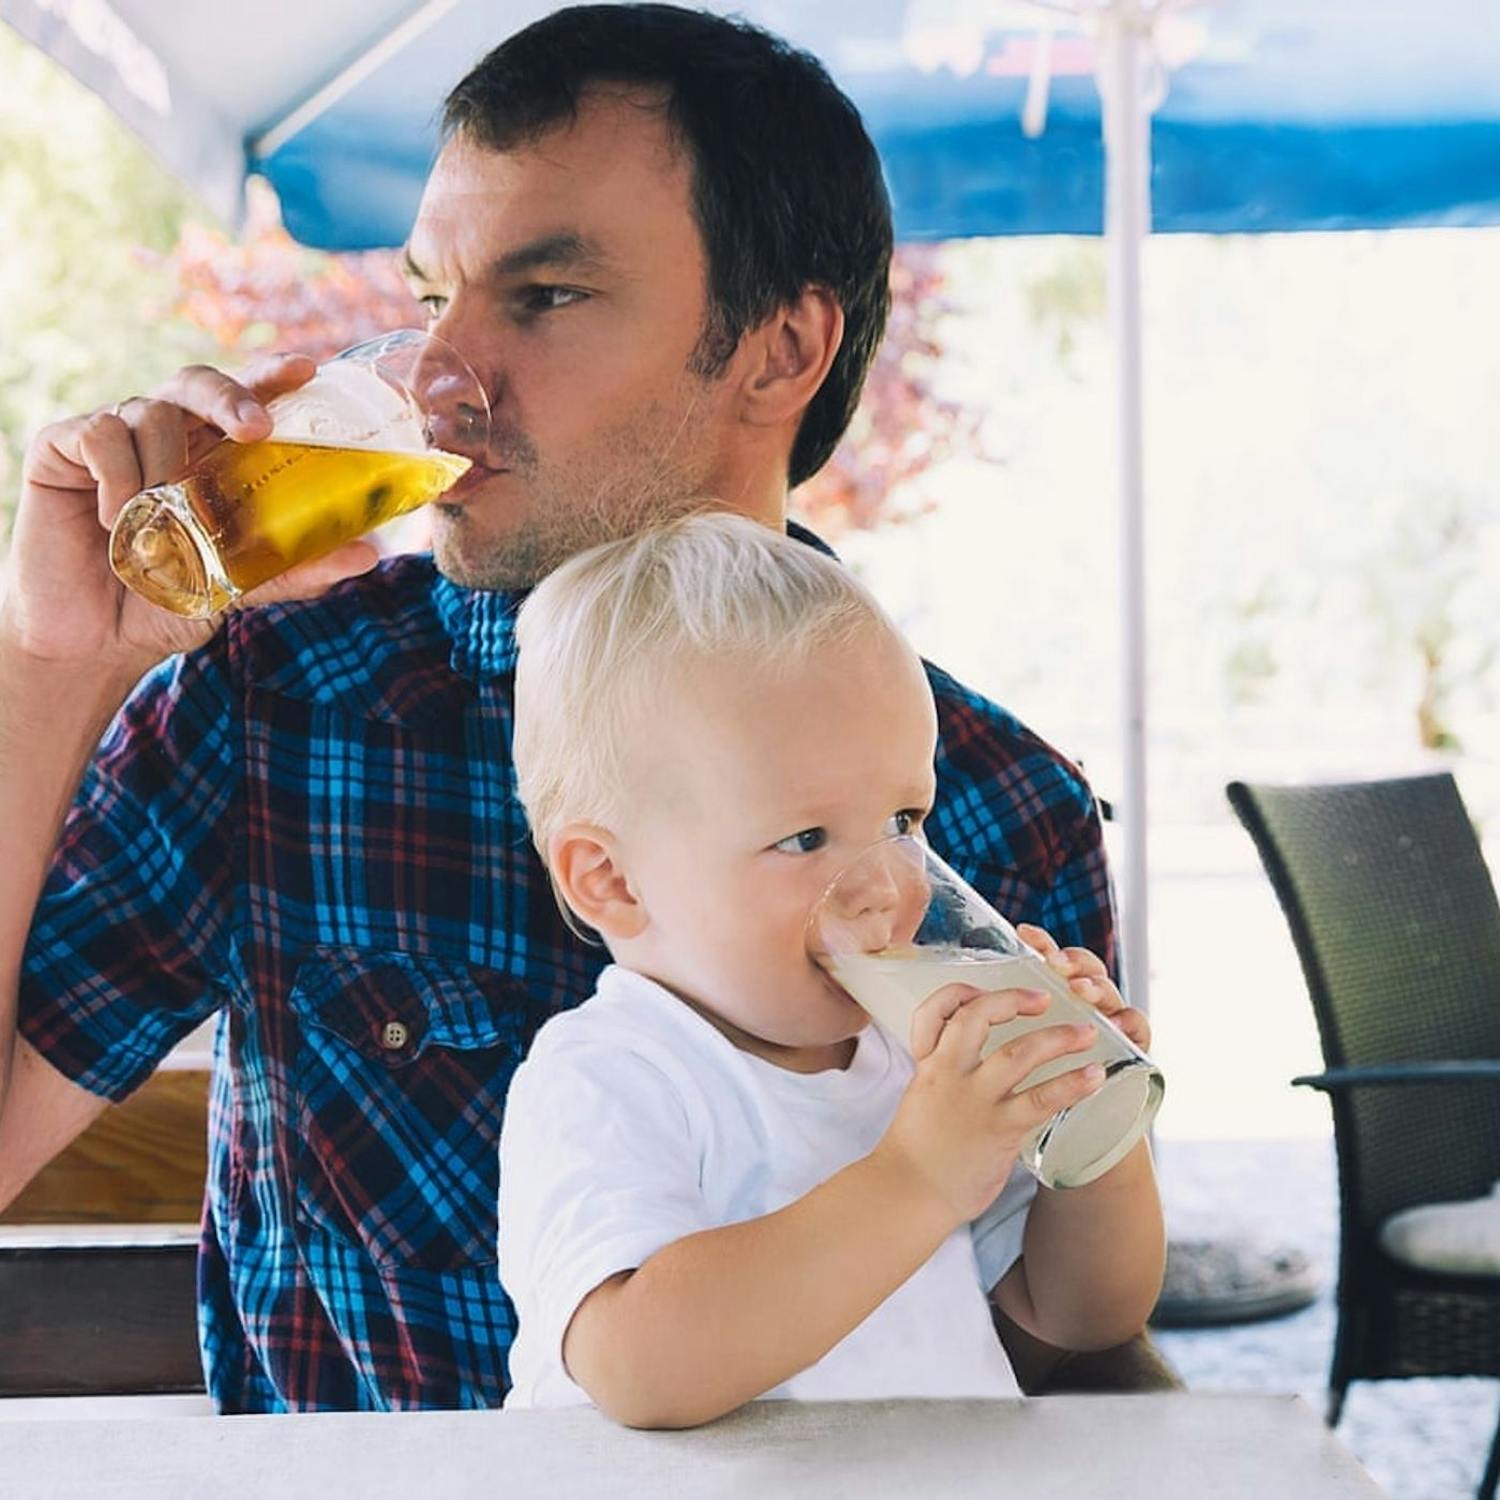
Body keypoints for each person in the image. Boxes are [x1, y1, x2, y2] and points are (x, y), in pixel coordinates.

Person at [0, 4, 1167, 1410]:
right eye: (433, 301)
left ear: (779, 351)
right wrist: (54, 663)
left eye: (543, 297)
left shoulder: (997, 802)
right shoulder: (276, 706)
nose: (440, 381)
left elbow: (1050, 1347)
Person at [499, 512, 1164, 1426]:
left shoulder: (915, 1059)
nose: (887, 885)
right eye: (806, 839)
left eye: (904, 821)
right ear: (613, 881)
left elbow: (1080, 1318)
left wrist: (1091, 1128)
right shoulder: (610, 1076)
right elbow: (641, 1369)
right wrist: (918, 1176)